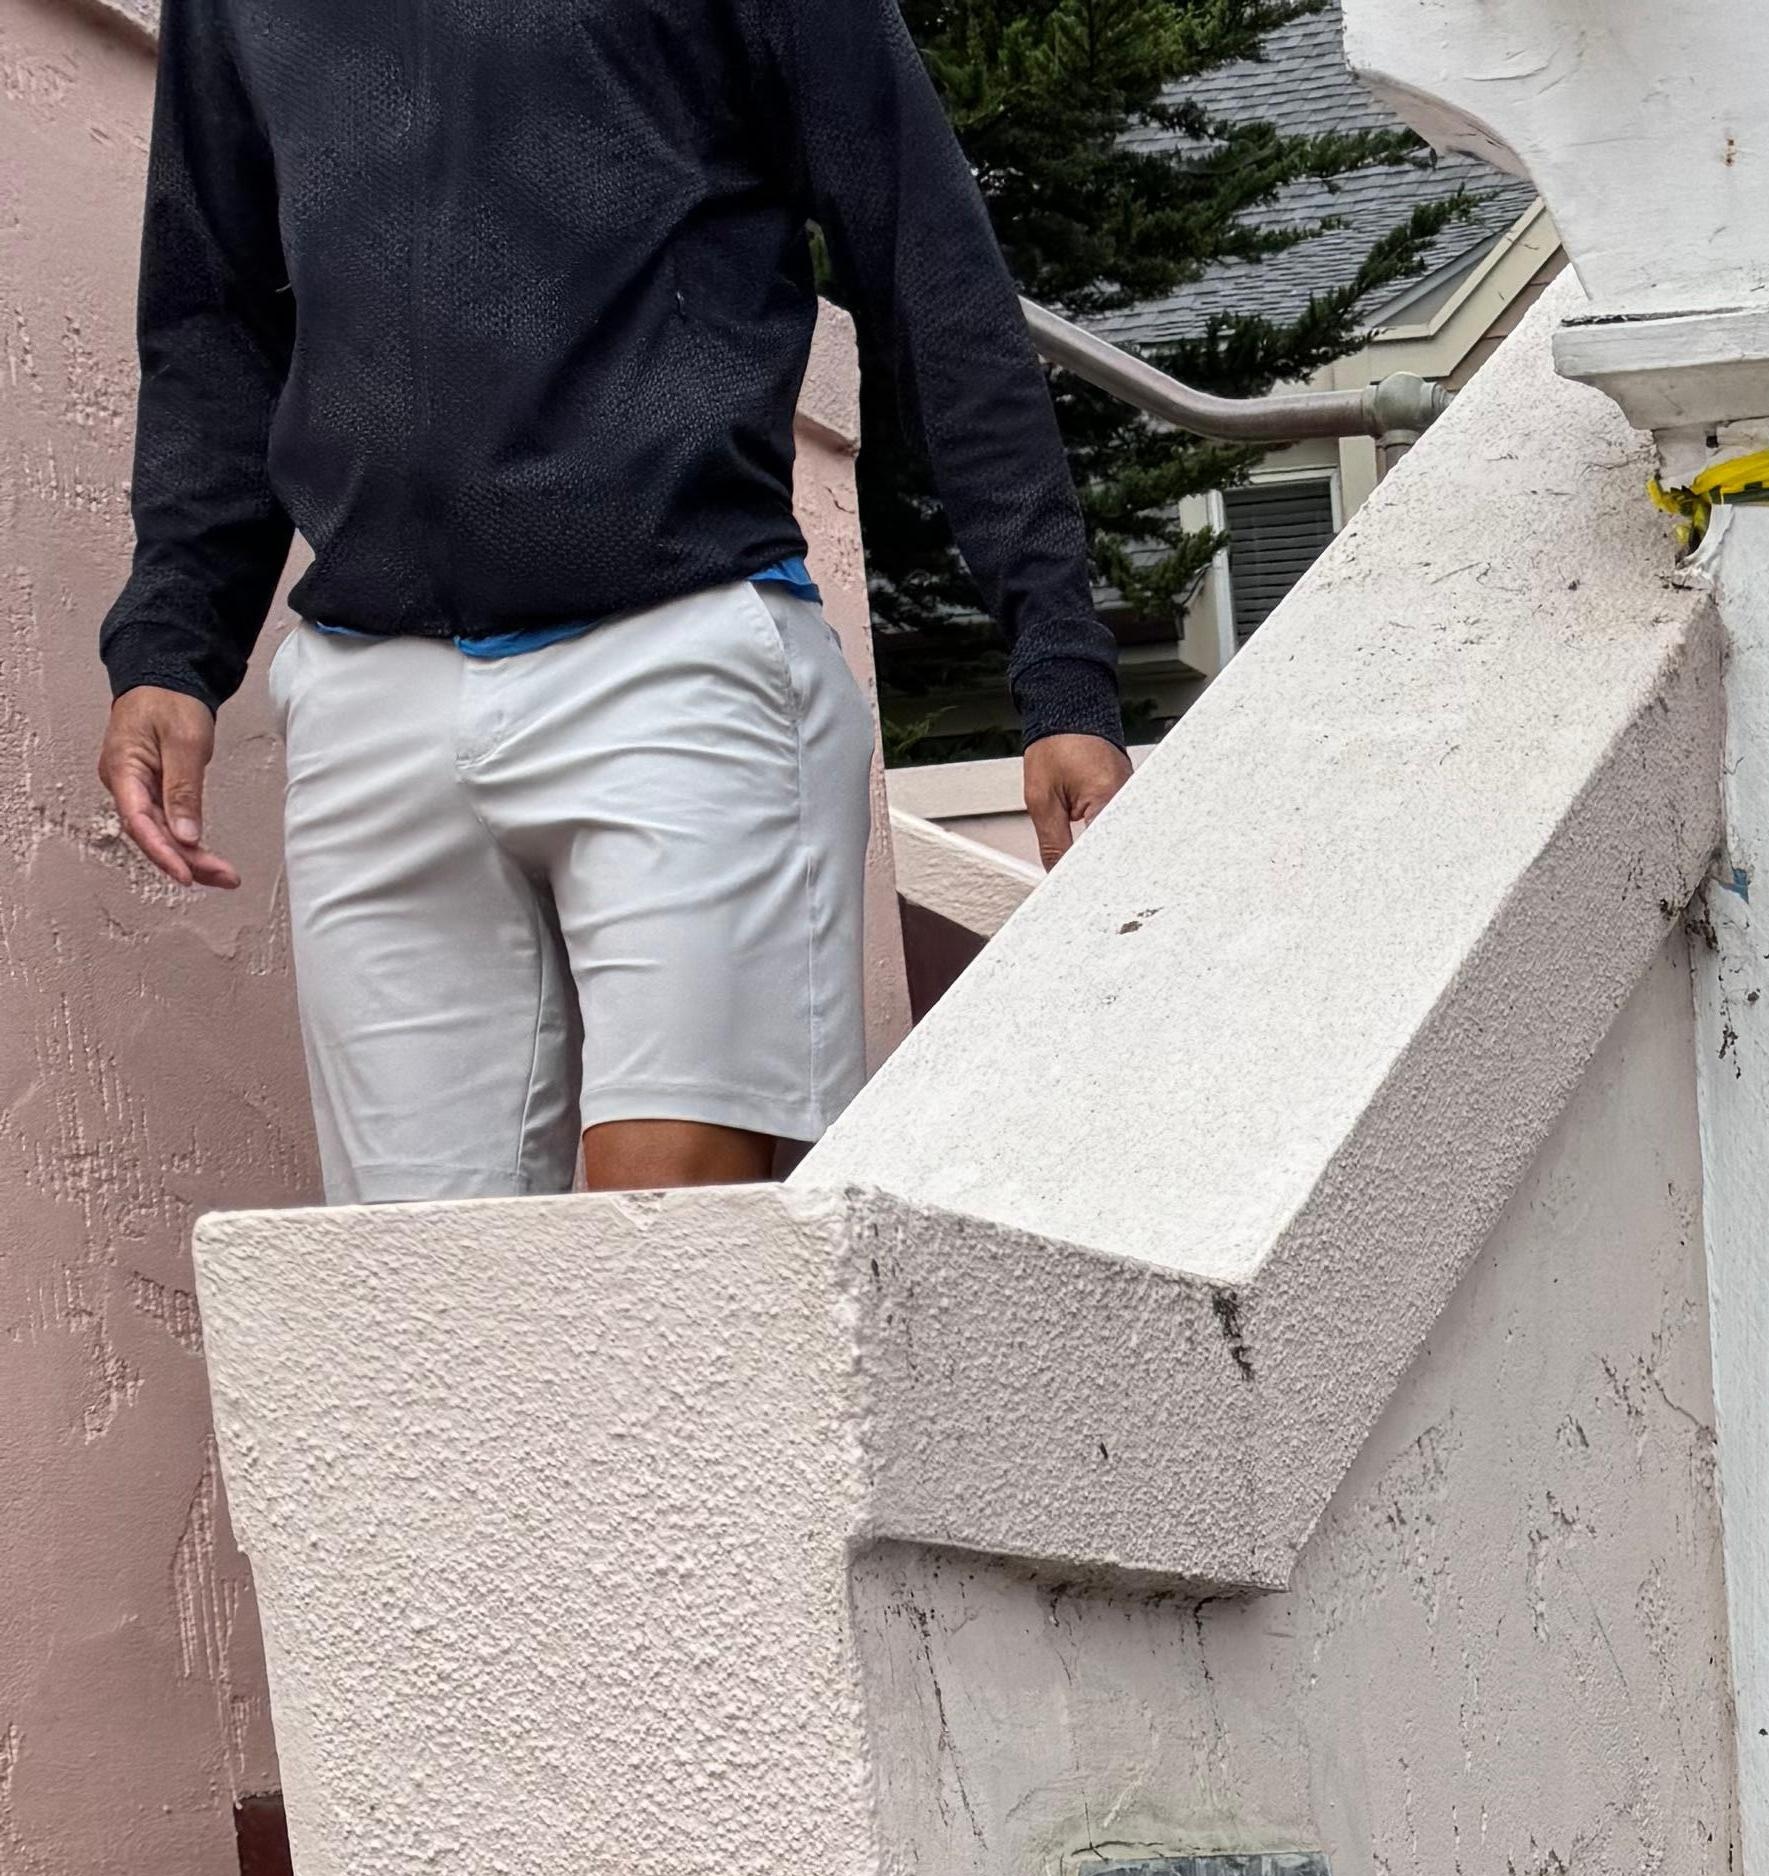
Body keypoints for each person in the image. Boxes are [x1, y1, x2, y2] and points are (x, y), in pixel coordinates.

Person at [93, 0, 1134, 1204]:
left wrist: (1059, 665)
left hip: (678, 664)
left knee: (668, 1248)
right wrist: (170, 641)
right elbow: (212, 318)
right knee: (421, 1292)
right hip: (369, 697)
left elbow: (930, 269)